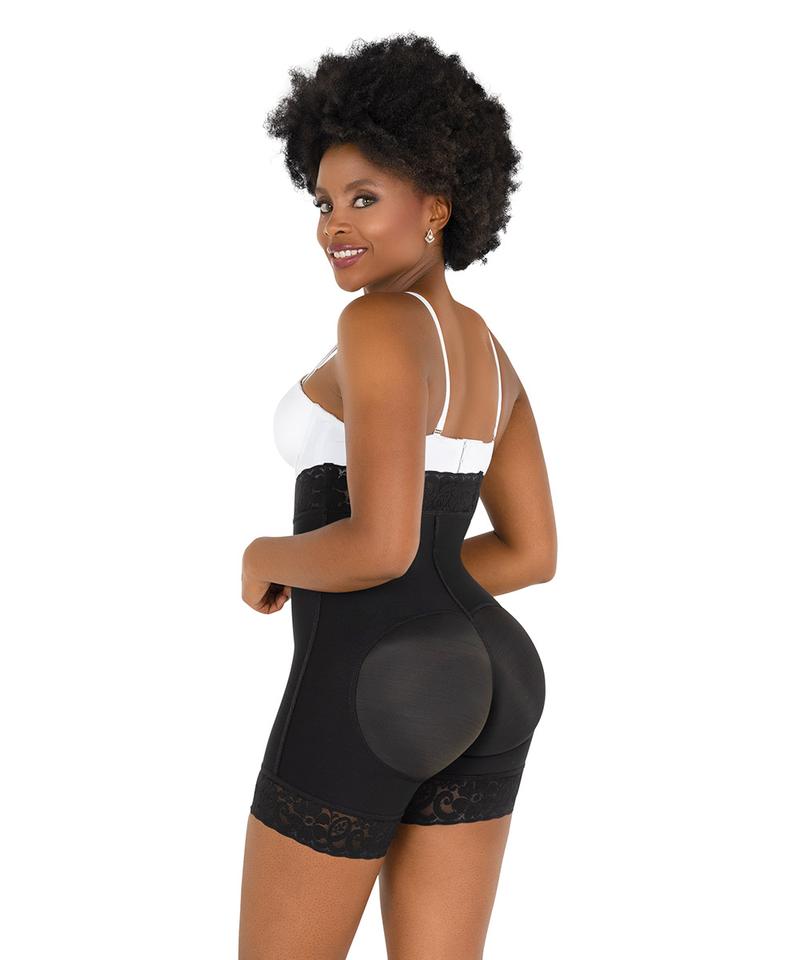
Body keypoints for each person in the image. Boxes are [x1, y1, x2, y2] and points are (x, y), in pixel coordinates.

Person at [238, 33, 557, 960]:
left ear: (439, 206)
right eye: (324, 201)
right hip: (496, 675)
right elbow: (531, 554)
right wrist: (424, 596)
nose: (334, 225)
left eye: (364, 198)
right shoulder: (487, 350)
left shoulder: (376, 322)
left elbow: (380, 544)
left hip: (374, 680)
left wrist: (266, 557)